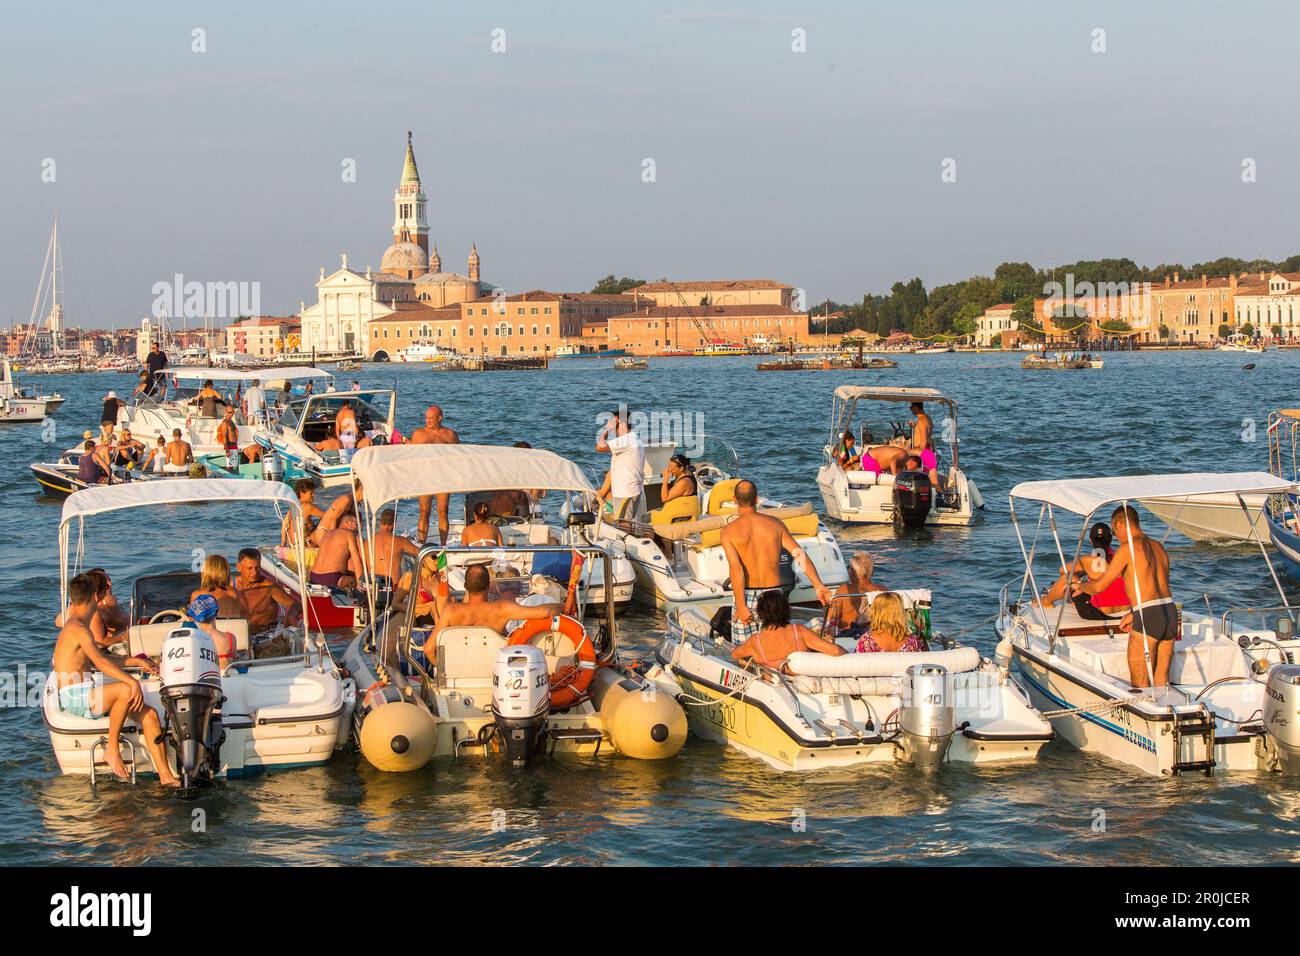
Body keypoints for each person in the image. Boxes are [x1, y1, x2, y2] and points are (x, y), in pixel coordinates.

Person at [52, 574, 178, 786]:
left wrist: (136, 662)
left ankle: (166, 776)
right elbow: (100, 663)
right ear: (95, 597)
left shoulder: (79, 625)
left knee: (150, 716)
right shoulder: (77, 629)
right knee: (126, 690)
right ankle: (111, 750)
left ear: (72, 600)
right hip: (74, 696)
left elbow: (104, 658)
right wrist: (132, 682)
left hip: (88, 692)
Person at [1072, 506, 1176, 688]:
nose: (1115, 535)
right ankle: (1166, 709)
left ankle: (1143, 715)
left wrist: (1079, 585)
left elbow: (1098, 586)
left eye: (1113, 530)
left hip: (1148, 616)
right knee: (1161, 680)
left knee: (1140, 682)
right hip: (1170, 612)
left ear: (1119, 524)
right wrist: (1134, 613)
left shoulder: (1128, 548)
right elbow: (1157, 590)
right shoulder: (1159, 547)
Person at [720, 479, 833, 643]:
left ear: (734, 500)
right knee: (776, 647)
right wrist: (818, 585)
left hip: (747, 595)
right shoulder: (775, 524)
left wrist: (742, 606)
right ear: (757, 499)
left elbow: (737, 570)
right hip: (775, 596)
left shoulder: (729, 532)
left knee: (746, 650)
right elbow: (799, 554)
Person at [424, 564, 559, 651]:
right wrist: (563, 605)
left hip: (459, 676)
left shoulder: (451, 612)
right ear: (489, 586)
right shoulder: (502, 608)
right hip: (495, 672)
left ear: (465, 587)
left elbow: (429, 649)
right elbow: (545, 611)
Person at [1038, 522, 1131, 621]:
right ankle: (1071, 597)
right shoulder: (1122, 557)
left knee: (1068, 577)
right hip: (1126, 612)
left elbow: (1062, 570)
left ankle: (1046, 602)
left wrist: (1083, 573)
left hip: (1097, 613)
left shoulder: (1088, 561)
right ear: (1111, 540)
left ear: (1091, 540)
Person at [731, 589, 844, 671]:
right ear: (786, 609)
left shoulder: (755, 641)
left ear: (760, 614)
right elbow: (836, 651)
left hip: (777, 686)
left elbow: (735, 654)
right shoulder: (799, 631)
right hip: (800, 682)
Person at [411, 406, 459, 544]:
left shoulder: (450, 435)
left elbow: (458, 457)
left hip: (443, 478)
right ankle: (421, 545)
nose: (428, 421)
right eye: (426, 418)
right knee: (424, 512)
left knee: (443, 512)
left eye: (431, 418)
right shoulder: (419, 434)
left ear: (440, 418)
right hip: (424, 477)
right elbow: (410, 457)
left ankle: (443, 546)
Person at [233, 548, 300, 634]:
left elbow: (297, 604)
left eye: (257, 568)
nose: (254, 572)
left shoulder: (270, 587)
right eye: (250, 568)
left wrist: (293, 612)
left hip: (265, 636)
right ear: (238, 567)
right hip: (239, 635)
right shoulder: (231, 586)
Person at [596, 407, 645, 517]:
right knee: (623, 524)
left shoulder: (626, 440)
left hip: (626, 493)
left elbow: (599, 447)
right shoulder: (634, 438)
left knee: (623, 526)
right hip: (629, 491)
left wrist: (606, 429)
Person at [367, 508, 419, 595]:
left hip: (372, 589)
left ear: (380, 521)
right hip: (393, 590)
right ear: (394, 524)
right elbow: (420, 553)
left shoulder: (367, 542)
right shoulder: (400, 541)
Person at [832, 552, 887, 632]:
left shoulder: (844, 590)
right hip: (875, 636)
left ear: (853, 571)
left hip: (847, 636)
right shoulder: (883, 590)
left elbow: (832, 618)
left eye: (849, 568)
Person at [855, 591, 925, 653]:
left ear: (876, 613)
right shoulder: (912, 641)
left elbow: (857, 664)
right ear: (900, 612)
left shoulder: (867, 641)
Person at [185, 594, 239, 670]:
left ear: (194, 616)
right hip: (226, 679)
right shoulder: (230, 639)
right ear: (216, 612)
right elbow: (235, 666)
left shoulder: (190, 641)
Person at [310, 524, 364, 590]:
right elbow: (357, 561)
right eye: (356, 524)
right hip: (331, 578)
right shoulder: (349, 534)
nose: (359, 527)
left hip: (314, 577)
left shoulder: (328, 533)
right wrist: (361, 586)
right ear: (348, 523)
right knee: (356, 581)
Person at [190, 554, 243, 619]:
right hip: (233, 627)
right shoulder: (235, 593)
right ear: (226, 572)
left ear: (206, 572)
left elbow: (193, 621)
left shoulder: (197, 595)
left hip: (211, 628)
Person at [282, 478, 325, 547]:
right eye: (310, 493)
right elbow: (329, 516)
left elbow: (284, 526)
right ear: (301, 494)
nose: (313, 495)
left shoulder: (292, 508)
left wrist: (282, 544)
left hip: (292, 546)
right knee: (329, 521)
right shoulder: (308, 506)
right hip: (303, 545)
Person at [215, 405, 239, 470]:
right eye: (230, 412)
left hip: (234, 446)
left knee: (234, 466)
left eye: (233, 412)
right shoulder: (225, 423)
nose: (232, 414)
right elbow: (224, 437)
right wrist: (227, 450)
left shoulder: (231, 422)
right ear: (226, 412)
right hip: (230, 446)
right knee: (230, 467)